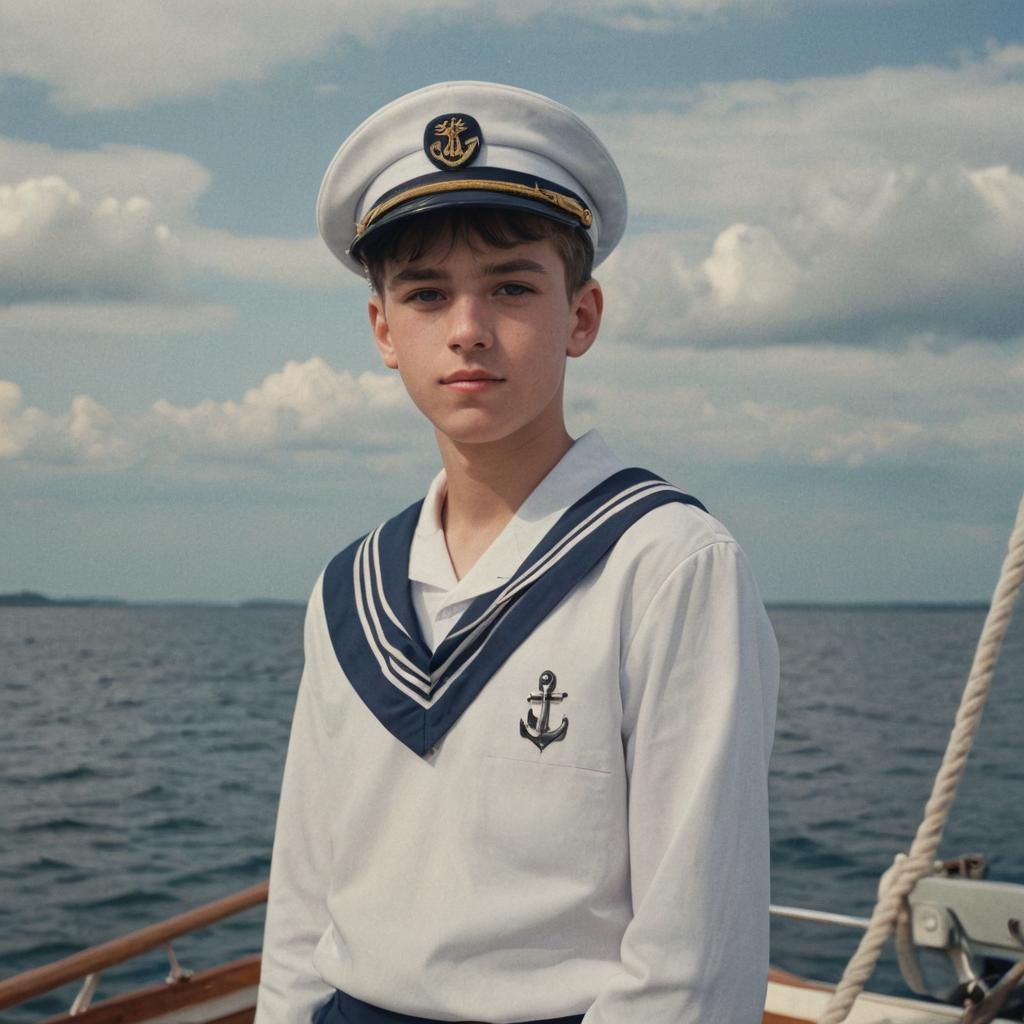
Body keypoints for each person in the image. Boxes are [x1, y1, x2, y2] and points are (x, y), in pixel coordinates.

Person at [255, 80, 779, 1024]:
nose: (467, 328)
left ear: (581, 317)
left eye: (511, 287)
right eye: (425, 294)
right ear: (383, 330)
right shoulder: (351, 588)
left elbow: (692, 950)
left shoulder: (665, 566)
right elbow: (303, 907)